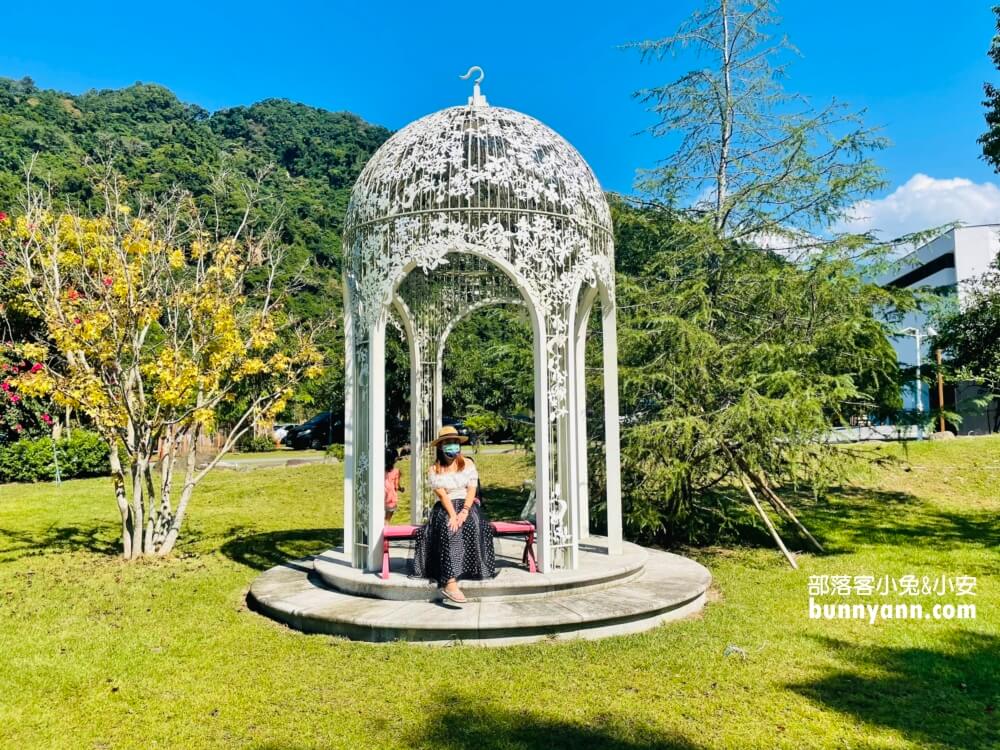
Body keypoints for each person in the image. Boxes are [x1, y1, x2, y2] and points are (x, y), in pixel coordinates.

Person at [410, 425, 496, 603]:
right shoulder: (434, 470)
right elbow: (442, 495)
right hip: (445, 506)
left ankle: (469, 567)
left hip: (466, 504)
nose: (453, 446)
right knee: (448, 529)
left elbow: (472, 489)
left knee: (473, 524)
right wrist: (453, 515)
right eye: (448, 443)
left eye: (455, 442)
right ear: (441, 446)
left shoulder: (468, 463)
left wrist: (464, 511)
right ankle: (449, 582)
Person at [384, 448, 403, 524]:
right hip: (390, 498)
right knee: (387, 520)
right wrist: (401, 489)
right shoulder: (396, 471)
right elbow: (397, 487)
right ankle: (384, 535)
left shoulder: (380, 469)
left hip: (381, 496)